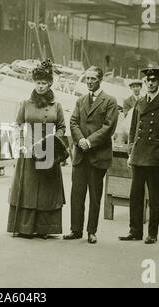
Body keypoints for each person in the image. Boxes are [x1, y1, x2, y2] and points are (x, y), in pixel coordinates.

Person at [119, 65, 159, 244]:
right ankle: (135, 231)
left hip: (155, 156)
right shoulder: (139, 102)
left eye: (154, 80)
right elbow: (133, 129)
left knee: (153, 197)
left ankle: (152, 234)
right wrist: (131, 152)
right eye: (148, 80)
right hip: (139, 155)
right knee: (135, 195)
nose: (150, 83)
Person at [7, 59, 66, 239]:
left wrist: (54, 141)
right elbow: (17, 126)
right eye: (38, 83)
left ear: (49, 84)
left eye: (44, 83)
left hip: (48, 152)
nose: (40, 87)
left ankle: (44, 228)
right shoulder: (25, 104)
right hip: (28, 152)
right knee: (28, 190)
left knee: (46, 191)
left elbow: (62, 127)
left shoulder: (57, 106)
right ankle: (25, 227)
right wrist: (23, 144)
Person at [63, 66, 119, 244]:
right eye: (87, 78)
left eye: (92, 79)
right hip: (81, 155)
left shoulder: (109, 101)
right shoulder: (81, 100)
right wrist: (80, 140)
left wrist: (89, 141)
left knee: (95, 196)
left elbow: (108, 127)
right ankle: (75, 229)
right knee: (77, 194)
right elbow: (73, 122)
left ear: (100, 80)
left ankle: (91, 231)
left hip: (97, 156)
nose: (89, 82)